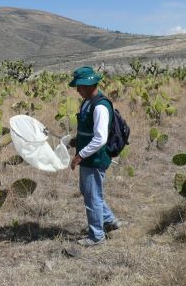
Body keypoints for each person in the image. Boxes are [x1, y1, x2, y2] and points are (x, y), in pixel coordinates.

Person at [69, 66, 121, 246]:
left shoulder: (100, 106)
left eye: (80, 86)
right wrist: (77, 141)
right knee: (89, 192)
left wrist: (80, 155)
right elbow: (90, 131)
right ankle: (109, 220)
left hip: (95, 158)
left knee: (92, 196)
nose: (77, 90)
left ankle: (96, 236)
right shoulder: (87, 103)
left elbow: (100, 138)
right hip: (88, 157)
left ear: (90, 85)